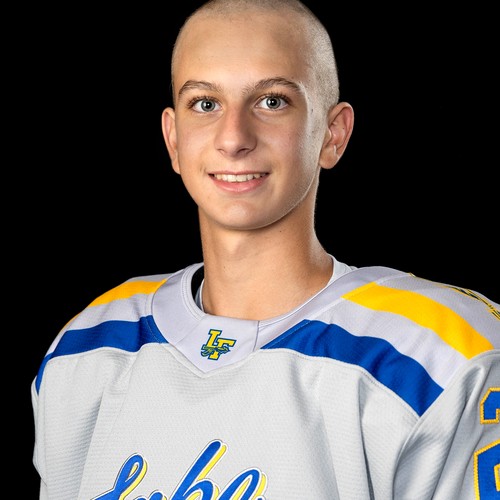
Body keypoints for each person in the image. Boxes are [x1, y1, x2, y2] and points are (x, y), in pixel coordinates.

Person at [31, 0, 499, 498]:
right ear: (173, 139)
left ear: (333, 134)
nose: (233, 138)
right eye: (205, 104)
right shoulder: (87, 348)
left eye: (272, 101)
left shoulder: (439, 353)